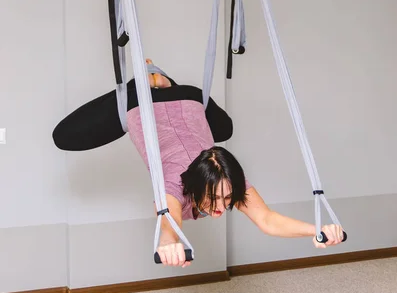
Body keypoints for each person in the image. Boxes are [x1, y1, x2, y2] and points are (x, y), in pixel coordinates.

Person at [53, 59, 345, 268]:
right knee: (64, 137)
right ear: (195, 184)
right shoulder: (173, 184)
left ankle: (162, 84)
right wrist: (169, 241)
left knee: (226, 131)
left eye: (228, 198)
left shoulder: (228, 178)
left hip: (193, 99)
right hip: (143, 105)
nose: (221, 207)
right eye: (215, 198)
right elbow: (169, 218)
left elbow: (267, 220)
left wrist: (317, 229)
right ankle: (142, 83)